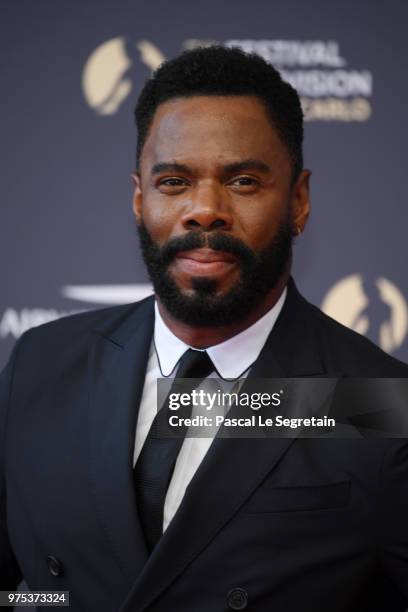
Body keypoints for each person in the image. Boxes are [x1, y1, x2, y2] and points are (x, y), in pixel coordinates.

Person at [1, 46, 407, 612]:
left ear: (299, 201)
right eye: (173, 182)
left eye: (242, 181)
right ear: (140, 198)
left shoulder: (380, 403)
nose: (204, 210)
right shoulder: (43, 364)